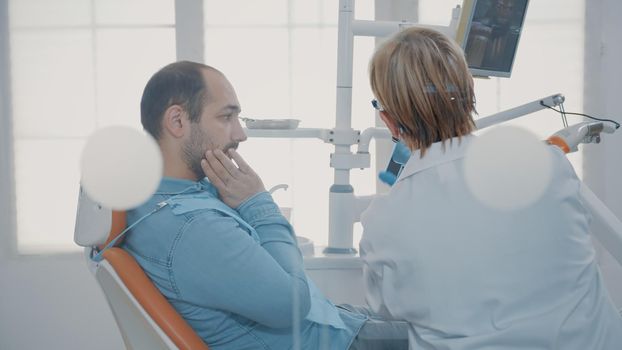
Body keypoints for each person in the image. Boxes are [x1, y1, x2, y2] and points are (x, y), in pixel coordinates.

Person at [360, 27, 622, 349]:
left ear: (388, 121)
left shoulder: (383, 222)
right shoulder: (546, 166)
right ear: (471, 92)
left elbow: (388, 310)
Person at [122, 60, 408, 349]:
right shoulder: (192, 228)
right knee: (449, 337)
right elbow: (292, 305)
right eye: (225, 117)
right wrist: (257, 203)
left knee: (437, 326)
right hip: (331, 343)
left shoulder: (169, 197)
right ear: (177, 121)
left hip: (335, 325)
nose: (240, 134)